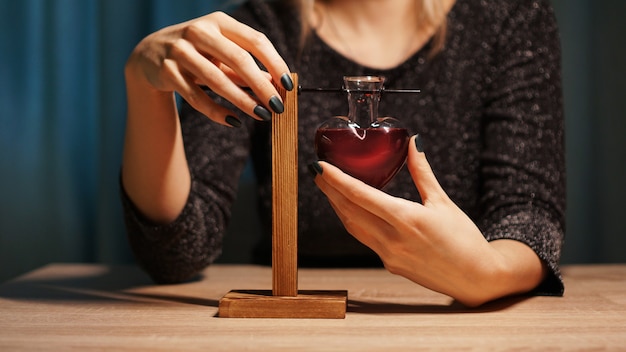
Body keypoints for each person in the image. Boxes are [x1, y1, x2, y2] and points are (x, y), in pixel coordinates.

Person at [121, 0, 565, 307]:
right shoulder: (255, 33)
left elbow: (528, 213)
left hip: (455, 329)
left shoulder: (508, 17)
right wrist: (146, 89)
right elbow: (176, 252)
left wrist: (489, 272)